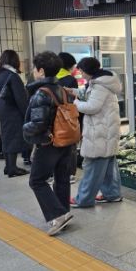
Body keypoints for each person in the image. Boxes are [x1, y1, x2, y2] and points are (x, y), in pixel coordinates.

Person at [23, 51, 74, 236]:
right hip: (67, 140)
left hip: (49, 143)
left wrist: (24, 128)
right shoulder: (63, 90)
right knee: (62, 179)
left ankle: (58, 215)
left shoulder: (41, 93)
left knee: (37, 180)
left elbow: (38, 123)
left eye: (35, 68)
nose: (33, 71)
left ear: (41, 70)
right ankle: (63, 213)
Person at [69, 57, 123, 208]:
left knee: (93, 167)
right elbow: (90, 95)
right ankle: (112, 194)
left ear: (87, 71)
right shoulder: (102, 81)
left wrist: (75, 103)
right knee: (108, 167)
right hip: (106, 130)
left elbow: (92, 107)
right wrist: (74, 91)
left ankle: (84, 199)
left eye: (81, 71)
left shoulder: (99, 86)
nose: (80, 74)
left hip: (100, 132)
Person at [0, 50, 29, 177]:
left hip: (3, 110)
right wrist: (27, 114)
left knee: (7, 136)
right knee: (14, 138)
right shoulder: (12, 76)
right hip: (13, 111)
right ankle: (12, 168)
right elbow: (20, 99)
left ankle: (8, 166)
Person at [57, 52, 80, 183]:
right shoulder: (70, 79)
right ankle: (70, 173)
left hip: (54, 116)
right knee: (71, 145)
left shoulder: (51, 77)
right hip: (67, 116)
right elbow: (73, 100)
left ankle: (55, 172)